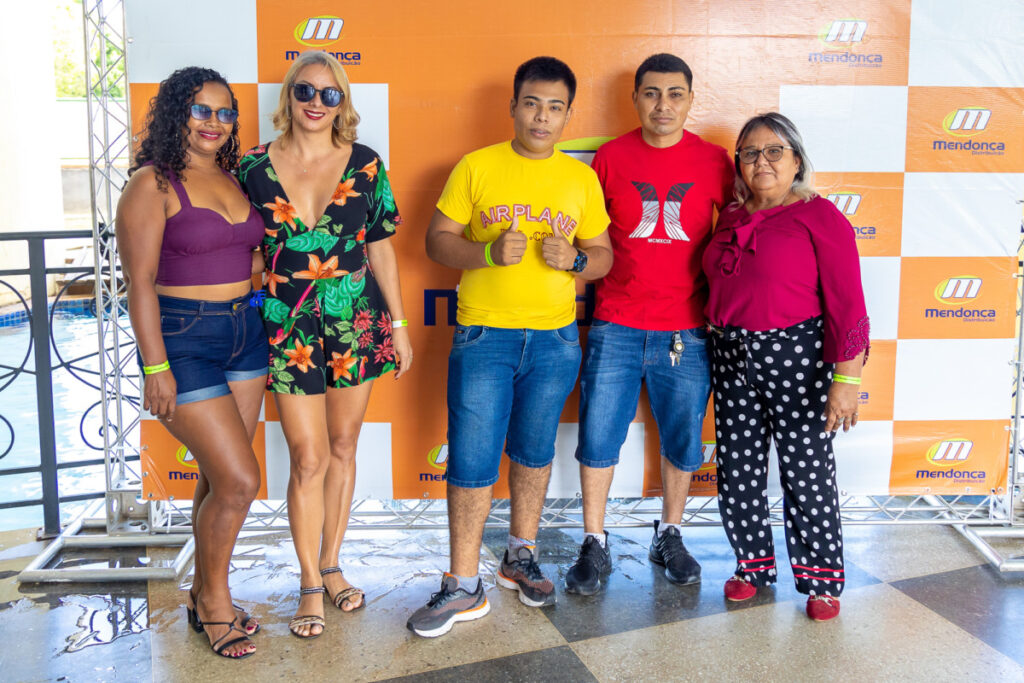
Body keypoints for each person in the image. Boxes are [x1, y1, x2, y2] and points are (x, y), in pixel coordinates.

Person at [407, 56, 612, 638]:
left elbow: (603, 257)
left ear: (568, 115)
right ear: (514, 107)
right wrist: (486, 253)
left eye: (554, 107)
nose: (542, 117)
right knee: (472, 458)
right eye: (532, 104)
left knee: (534, 452)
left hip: (555, 339)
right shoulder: (477, 166)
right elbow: (437, 241)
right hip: (484, 336)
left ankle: (520, 556)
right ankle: (463, 584)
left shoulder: (580, 179)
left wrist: (575, 259)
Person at [239, 50, 412, 639]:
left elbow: (381, 246)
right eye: (306, 91)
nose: (316, 103)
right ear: (289, 95)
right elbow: (243, 250)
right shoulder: (252, 166)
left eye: (329, 94)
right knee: (307, 456)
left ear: (343, 103)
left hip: (354, 324)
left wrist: (400, 325)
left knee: (342, 446)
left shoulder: (365, 163)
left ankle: (333, 564)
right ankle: (309, 582)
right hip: (287, 327)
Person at [566, 53, 733, 595]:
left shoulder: (715, 161)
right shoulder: (610, 158)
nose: (663, 105)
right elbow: (590, 239)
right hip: (615, 322)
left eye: (675, 94)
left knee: (683, 437)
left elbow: (738, 232)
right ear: (635, 98)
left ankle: (671, 533)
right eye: (652, 93)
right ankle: (594, 540)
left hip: (687, 328)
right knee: (598, 436)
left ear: (690, 99)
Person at [116, 67, 267, 659]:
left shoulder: (233, 177)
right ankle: (215, 605)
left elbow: (242, 250)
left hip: (246, 335)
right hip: (183, 338)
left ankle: (205, 592)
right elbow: (139, 282)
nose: (214, 122)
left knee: (216, 476)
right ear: (177, 111)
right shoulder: (151, 183)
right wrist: (155, 367)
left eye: (225, 113)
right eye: (201, 110)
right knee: (240, 480)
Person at [702, 112, 868, 622]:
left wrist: (847, 379)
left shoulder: (821, 217)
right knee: (737, 469)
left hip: (798, 359)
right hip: (730, 357)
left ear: (797, 159)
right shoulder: (730, 217)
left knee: (806, 471)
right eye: (750, 153)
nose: (762, 161)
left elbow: (848, 304)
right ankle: (751, 566)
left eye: (774, 151)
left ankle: (821, 582)